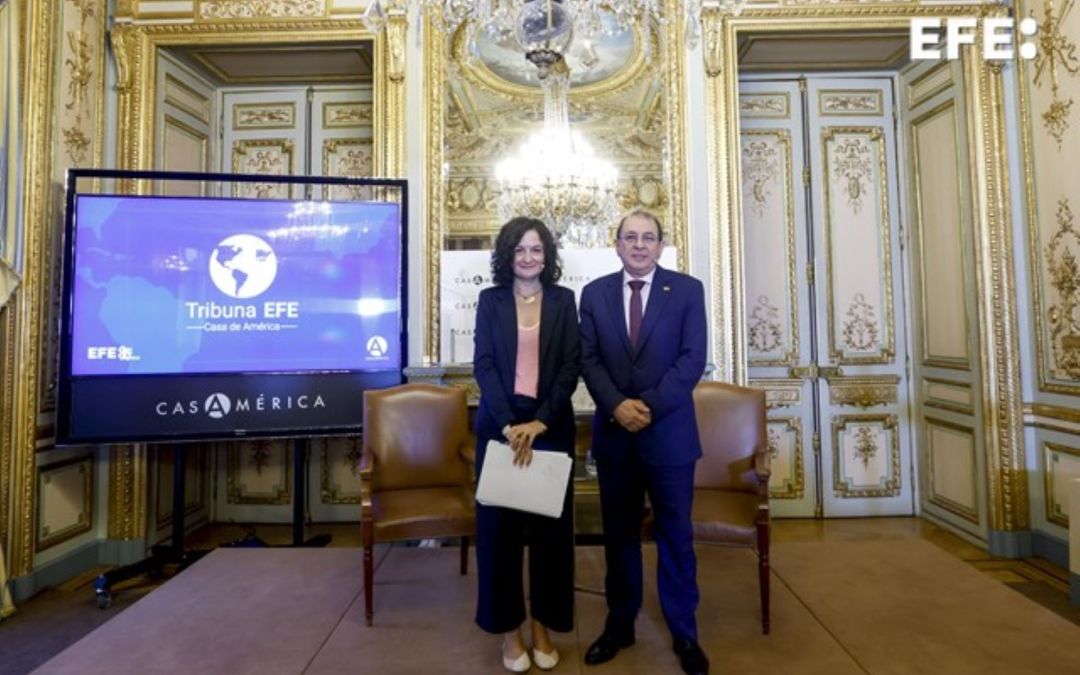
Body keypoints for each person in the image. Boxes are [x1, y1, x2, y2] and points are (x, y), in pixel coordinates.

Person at [578, 209, 709, 675]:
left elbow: (693, 360)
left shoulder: (687, 291)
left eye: (648, 238)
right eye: (630, 238)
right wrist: (616, 406)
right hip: (615, 437)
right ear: (616, 244)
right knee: (619, 538)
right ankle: (620, 625)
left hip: (669, 437)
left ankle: (684, 633)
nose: (639, 245)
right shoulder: (594, 294)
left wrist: (647, 406)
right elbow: (588, 359)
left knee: (676, 536)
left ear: (660, 245)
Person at [473, 217, 581, 673]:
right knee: (499, 539)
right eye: (519, 249)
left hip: (550, 427)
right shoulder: (490, 300)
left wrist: (539, 422)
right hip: (499, 428)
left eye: (536, 249)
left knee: (551, 540)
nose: (528, 257)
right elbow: (484, 364)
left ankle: (543, 627)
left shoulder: (564, 300)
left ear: (547, 255)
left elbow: (569, 366)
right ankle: (509, 632)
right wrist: (508, 425)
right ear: (507, 254)